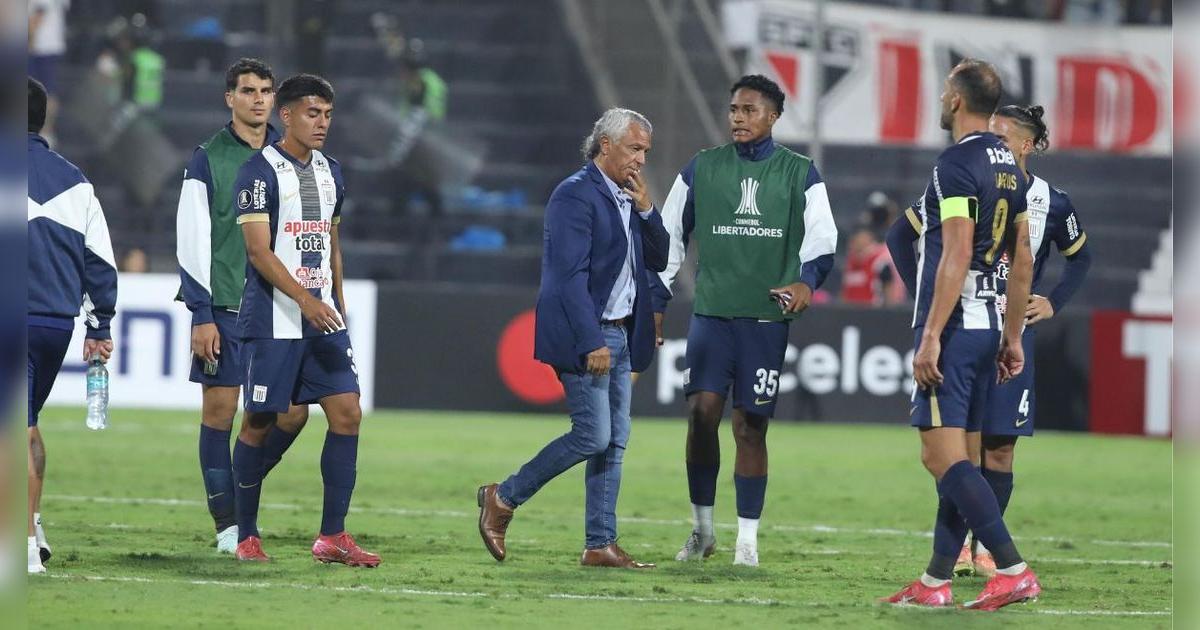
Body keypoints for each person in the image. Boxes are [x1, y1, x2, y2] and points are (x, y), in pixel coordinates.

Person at [886, 104, 1091, 577]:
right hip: (969, 325)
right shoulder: (967, 179)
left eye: (1003, 134)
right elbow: (901, 236)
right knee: (960, 451)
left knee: (998, 449)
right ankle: (960, 558)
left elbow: (1078, 258)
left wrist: (1052, 303)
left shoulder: (1050, 201)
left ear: (1027, 144)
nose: (994, 141)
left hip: (1009, 336)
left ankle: (984, 551)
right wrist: (927, 296)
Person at [654, 74, 838, 567]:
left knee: (750, 427)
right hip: (711, 313)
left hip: (764, 319)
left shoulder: (800, 172)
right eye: (734, 108)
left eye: (750, 109)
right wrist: (659, 293)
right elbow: (671, 232)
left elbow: (822, 239)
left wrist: (806, 283)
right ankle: (702, 530)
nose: (738, 117)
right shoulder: (702, 167)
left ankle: (748, 540)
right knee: (700, 416)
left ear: (774, 116)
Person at [477, 108, 668, 569]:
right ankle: (503, 498)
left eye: (646, 151)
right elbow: (567, 277)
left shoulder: (628, 197)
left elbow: (659, 259)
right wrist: (590, 341)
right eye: (635, 148)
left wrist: (647, 209)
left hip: (622, 330)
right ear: (606, 145)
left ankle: (600, 543)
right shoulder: (574, 196)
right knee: (593, 434)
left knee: (614, 439)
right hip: (592, 334)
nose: (641, 159)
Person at [882, 59, 1041, 611]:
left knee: (938, 457)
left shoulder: (956, 162)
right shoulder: (1010, 166)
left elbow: (954, 250)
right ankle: (933, 583)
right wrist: (1013, 335)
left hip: (954, 329)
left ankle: (1012, 569)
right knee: (961, 461)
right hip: (989, 326)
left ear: (955, 99)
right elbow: (1021, 258)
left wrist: (929, 337)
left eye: (944, 90)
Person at [230, 74, 377, 566]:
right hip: (274, 317)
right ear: (286, 115)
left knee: (348, 413)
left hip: (321, 316)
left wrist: (337, 295)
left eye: (328, 115)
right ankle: (245, 535)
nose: (322, 124)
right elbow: (258, 252)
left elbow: (331, 242)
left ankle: (332, 535)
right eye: (312, 114)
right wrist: (305, 299)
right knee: (260, 421)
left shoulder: (333, 172)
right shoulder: (258, 172)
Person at [175, 58, 309, 555]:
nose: (258, 99)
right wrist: (200, 312)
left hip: (281, 307)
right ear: (229, 97)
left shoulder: (289, 155)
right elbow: (191, 237)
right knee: (222, 409)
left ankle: (237, 486)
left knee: (293, 414)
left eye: (266, 90)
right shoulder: (208, 157)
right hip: (227, 304)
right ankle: (229, 527)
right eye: (247, 90)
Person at [27, 77, 119, 574]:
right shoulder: (76, 180)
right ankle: (31, 524)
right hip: (53, 324)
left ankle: (18, 548)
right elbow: (100, 263)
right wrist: (99, 326)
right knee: (25, 424)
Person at [28, 0, 69, 144]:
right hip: (41, 47)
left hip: (44, 47)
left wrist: (29, 43)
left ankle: (46, 133)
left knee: (47, 91)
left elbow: (37, 16)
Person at [840, 225, 899, 306]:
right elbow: (845, 290)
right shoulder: (850, 262)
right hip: (850, 312)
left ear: (870, 239)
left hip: (873, 312)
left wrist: (889, 311)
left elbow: (888, 289)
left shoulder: (880, 261)